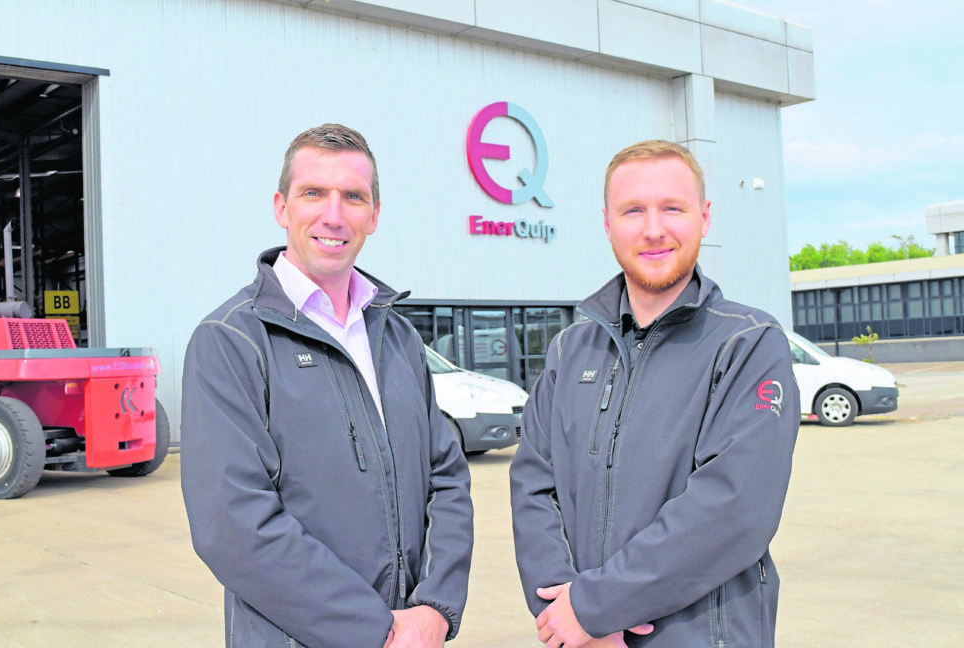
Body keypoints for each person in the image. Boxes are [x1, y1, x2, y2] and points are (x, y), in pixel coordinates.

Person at [180, 123, 473, 648]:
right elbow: (234, 524)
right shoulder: (231, 341)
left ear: (374, 215)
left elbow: (447, 478)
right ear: (281, 207)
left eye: (353, 197)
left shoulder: (397, 336)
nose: (334, 215)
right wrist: (376, 630)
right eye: (313, 193)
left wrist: (435, 606)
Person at [509, 140, 799, 648]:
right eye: (633, 210)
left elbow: (734, 509)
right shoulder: (569, 350)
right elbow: (534, 486)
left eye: (672, 208)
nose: (653, 228)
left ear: (704, 218)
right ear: (606, 223)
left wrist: (600, 607)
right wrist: (566, 612)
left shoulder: (748, 343)